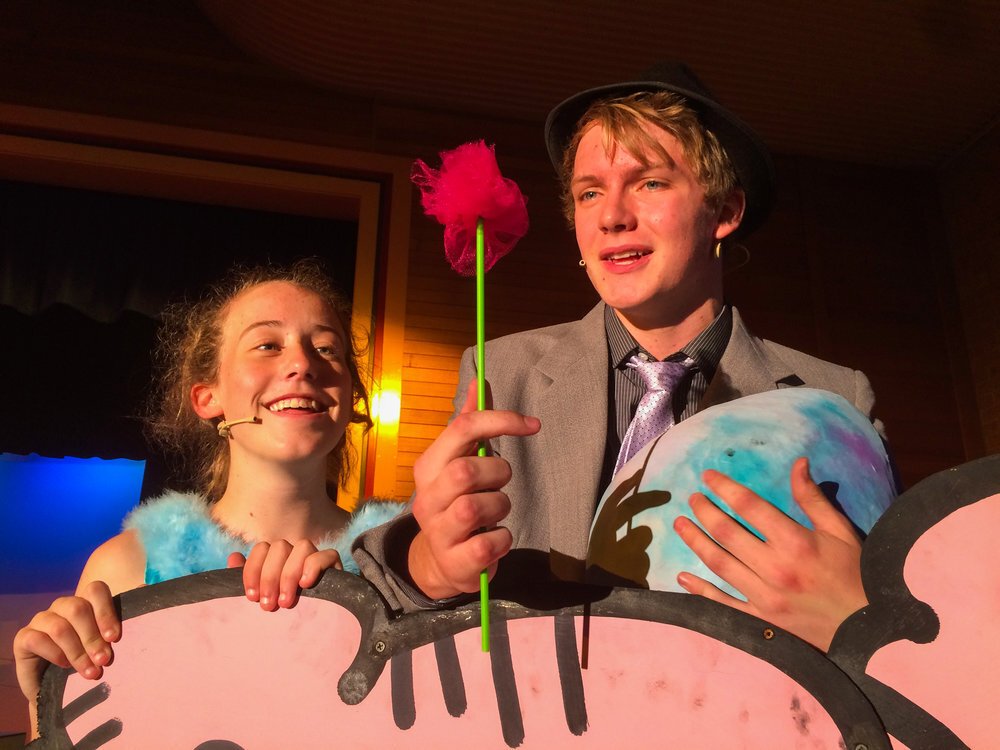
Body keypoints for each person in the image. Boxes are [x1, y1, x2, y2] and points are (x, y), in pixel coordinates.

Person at [353, 63, 890, 651]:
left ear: (726, 211)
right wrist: (429, 563)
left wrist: (858, 618)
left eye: (650, 182)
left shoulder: (836, 399)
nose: (611, 216)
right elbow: (398, 599)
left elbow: (895, 621)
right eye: (589, 193)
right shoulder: (501, 374)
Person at [13, 259, 400, 738]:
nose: (303, 363)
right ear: (207, 398)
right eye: (267, 345)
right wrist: (48, 707)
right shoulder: (127, 567)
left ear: (350, 400)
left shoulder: (402, 564)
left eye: (327, 348)